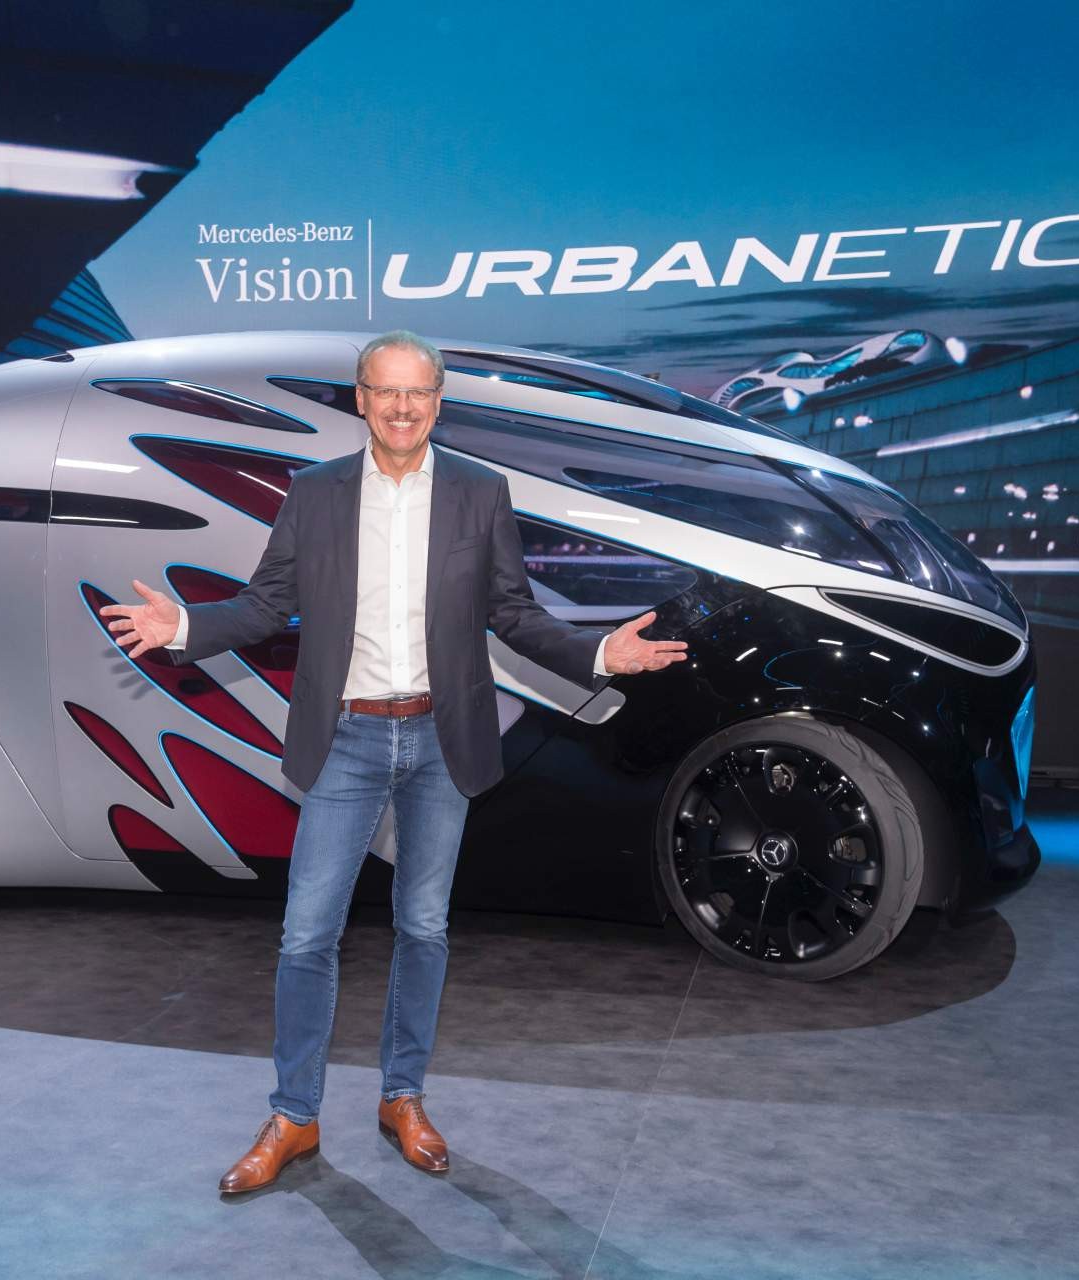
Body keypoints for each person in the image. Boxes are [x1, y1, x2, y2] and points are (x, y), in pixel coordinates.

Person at [99, 330, 686, 1193]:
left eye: (418, 393)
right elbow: (266, 604)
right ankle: (294, 1116)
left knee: (424, 928)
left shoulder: (480, 492)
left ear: (437, 403)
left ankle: (402, 1097)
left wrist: (599, 653)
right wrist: (184, 626)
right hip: (346, 737)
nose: (402, 407)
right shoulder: (316, 493)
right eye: (386, 391)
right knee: (307, 933)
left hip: (443, 740)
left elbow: (515, 613)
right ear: (362, 399)